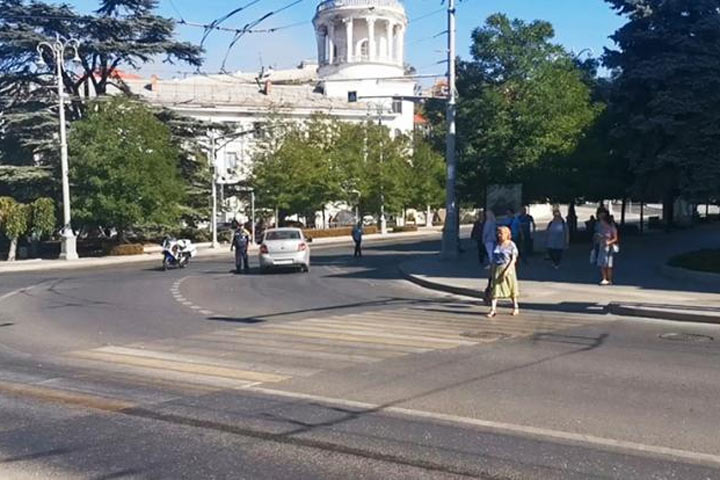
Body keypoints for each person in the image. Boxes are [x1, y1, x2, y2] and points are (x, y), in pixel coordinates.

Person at [487, 226, 520, 317]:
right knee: (495, 289)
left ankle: (515, 307)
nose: (499, 235)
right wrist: (491, 269)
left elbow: (513, 259)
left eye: (501, 233)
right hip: (497, 268)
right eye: (498, 233)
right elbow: (494, 258)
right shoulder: (497, 244)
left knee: (511, 288)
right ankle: (493, 309)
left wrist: (507, 270)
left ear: (507, 234)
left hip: (508, 268)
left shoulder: (511, 245)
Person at [594, 211, 619, 285]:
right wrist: (598, 238)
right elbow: (596, 235)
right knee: (602, 263)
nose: (601, 221)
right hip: (602, 246)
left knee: (608, 264)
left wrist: (609, 242)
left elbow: (615, 238)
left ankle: (610, 279)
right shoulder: (600, 227)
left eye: (602, 220)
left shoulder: (611, 227)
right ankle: (604, 278)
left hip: (609, 247)